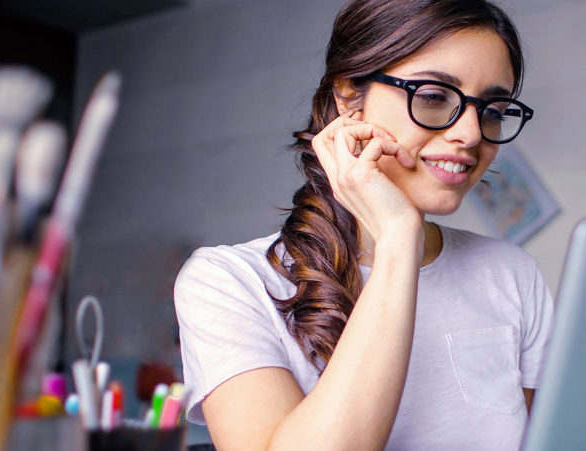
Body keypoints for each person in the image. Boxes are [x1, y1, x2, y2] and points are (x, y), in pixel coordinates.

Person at [173, 1, 553, 449]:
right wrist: (398, 237)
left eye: (492, 110)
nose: (470, 134)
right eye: (433, 97)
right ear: (348, 96)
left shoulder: (510, 274)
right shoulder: (229, 282)